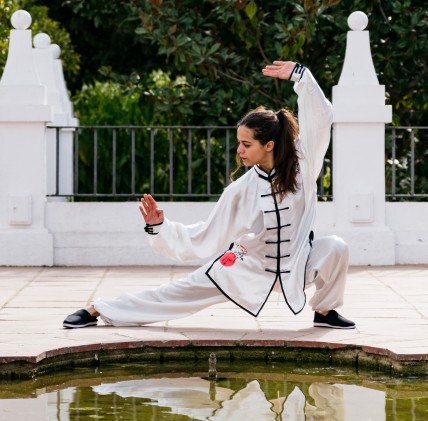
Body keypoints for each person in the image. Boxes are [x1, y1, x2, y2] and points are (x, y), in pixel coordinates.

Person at [63, 61, 355, 330]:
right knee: (178, 293)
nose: (239, 150)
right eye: (238, 143)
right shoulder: (241, 190)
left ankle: (325, 312)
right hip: (248, 266)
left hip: (297, 262)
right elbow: (205, 235)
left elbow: (321, 116)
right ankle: (98, 309)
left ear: (268, 145)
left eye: (245, 144)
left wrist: (301, 76)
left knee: (335, 248)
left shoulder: (304, 162)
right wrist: (159, 227)